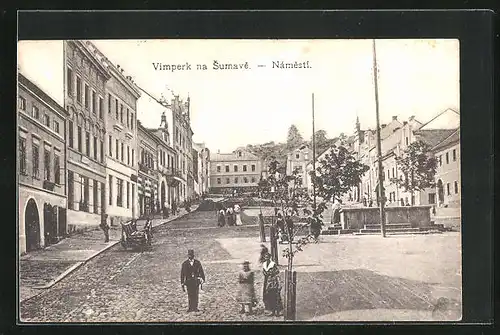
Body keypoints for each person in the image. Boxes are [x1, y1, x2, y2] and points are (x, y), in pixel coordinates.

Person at [262, 252, 283, 316]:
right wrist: (266, 274)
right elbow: (264, 272)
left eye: (267, 257)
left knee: (275, 295)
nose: (266, 258)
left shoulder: (273, 264)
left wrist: (277, 281)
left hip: (273, 281)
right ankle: (271, 310)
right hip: (266, 281)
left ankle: (278, 311)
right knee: (268, 295)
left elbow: (277, 272)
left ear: (270, 257)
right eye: (265, 257)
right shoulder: (264, 264)